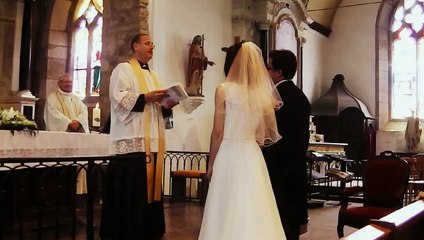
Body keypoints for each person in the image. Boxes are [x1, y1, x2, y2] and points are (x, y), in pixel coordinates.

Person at [198, 41, 286, 240]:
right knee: (254, 203)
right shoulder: (262, 94)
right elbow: (262, 136)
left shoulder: (224, 89)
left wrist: (211, 163)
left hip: (229, 151)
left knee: (225, 203)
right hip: (252, 153)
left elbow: (218, 132)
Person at [99, 33, 178, 240]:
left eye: (153, 44)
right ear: (135, 46)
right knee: (132, 189)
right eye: (147, 43)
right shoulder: (123, 69)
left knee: (149, 189)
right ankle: (127, 230)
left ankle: (149, 229)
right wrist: (146, 98)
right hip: (132, 143)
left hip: (151, 140)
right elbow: (118, 98)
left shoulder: (154, 76)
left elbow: (157, 108)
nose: (152, 47)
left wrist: (167, 105)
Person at [262, 49, 311, 240]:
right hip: (296, 166)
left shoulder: (276, 98)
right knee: (291, 221)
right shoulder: (301, 96)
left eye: (268, 68)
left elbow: (273, 136)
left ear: (278, 72)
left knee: (279, 216)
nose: (265, 72)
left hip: (279, 166)